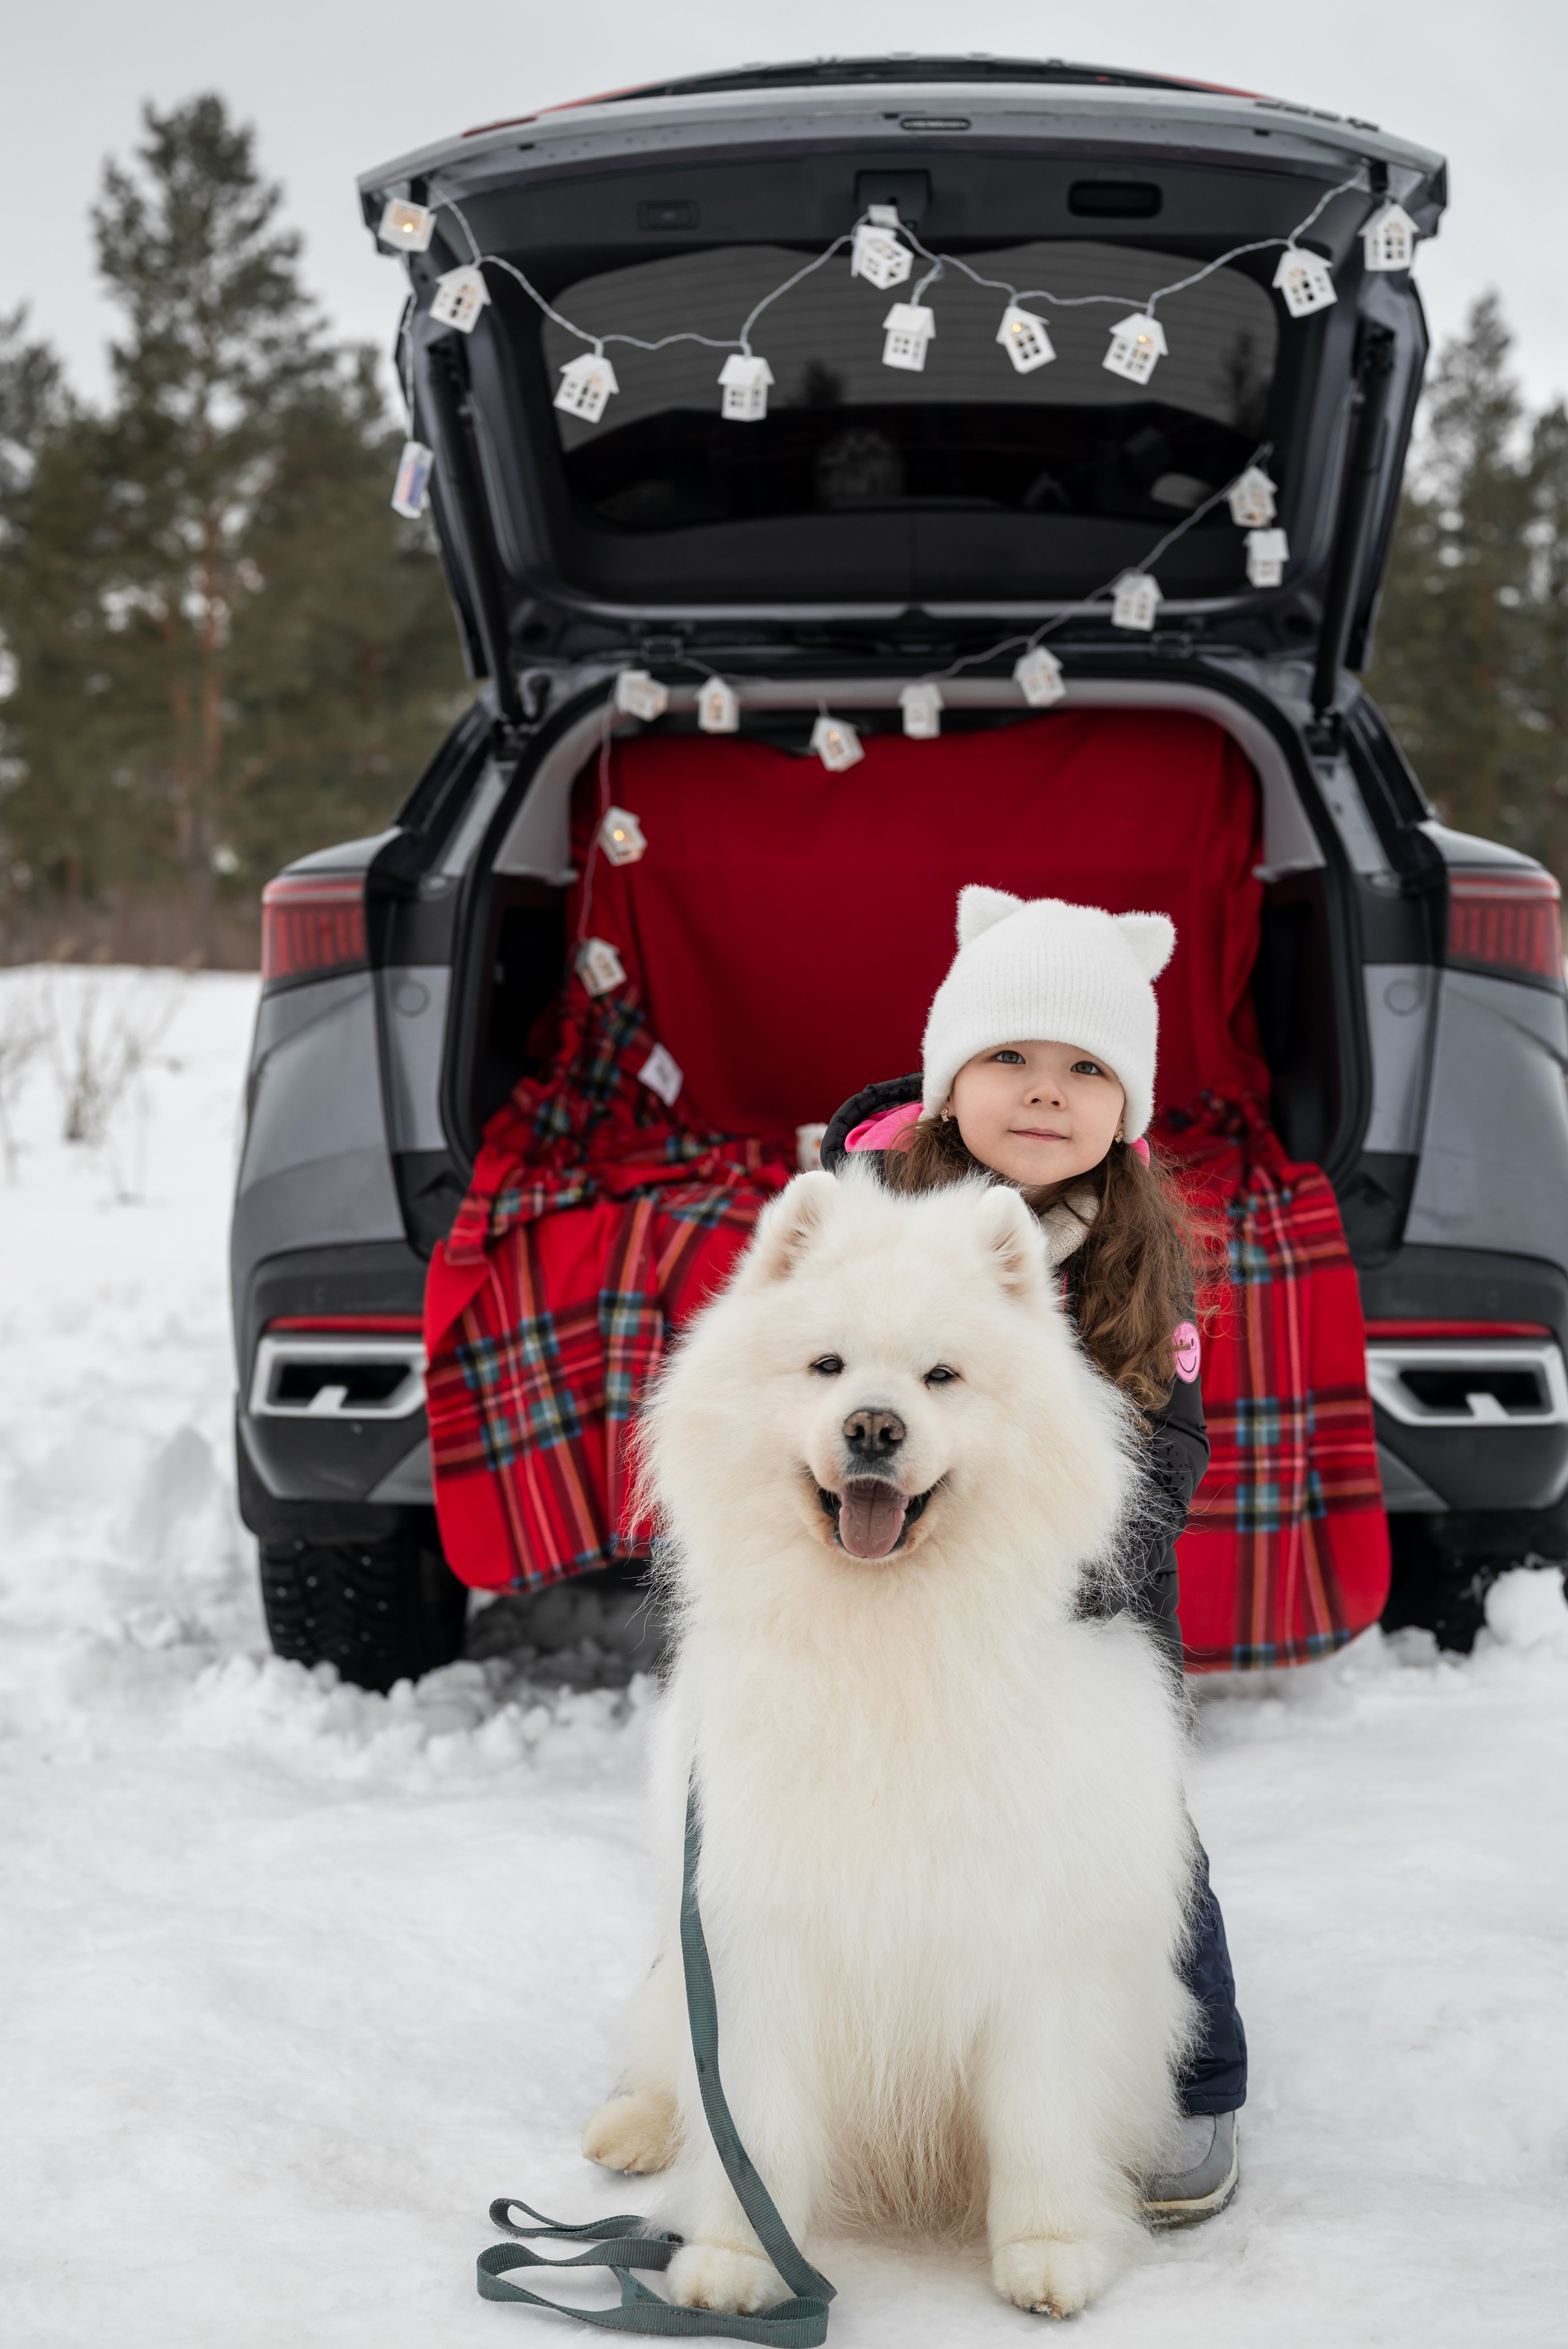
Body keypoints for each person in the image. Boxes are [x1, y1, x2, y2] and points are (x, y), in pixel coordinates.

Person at [819, 885, 1245, 2227]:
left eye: (1085, 1070)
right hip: (876, 1592)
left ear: (1126, 1107)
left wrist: (1075, 1567)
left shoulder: (1130, 1260)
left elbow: (1164, 1453)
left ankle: (1191, 2079)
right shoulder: (865, 1209)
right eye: (1008, 1057)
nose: (1044, 1093)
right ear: (949, 1078)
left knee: (1129, 1833)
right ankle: (854, 2074)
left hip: (1079, 1611)